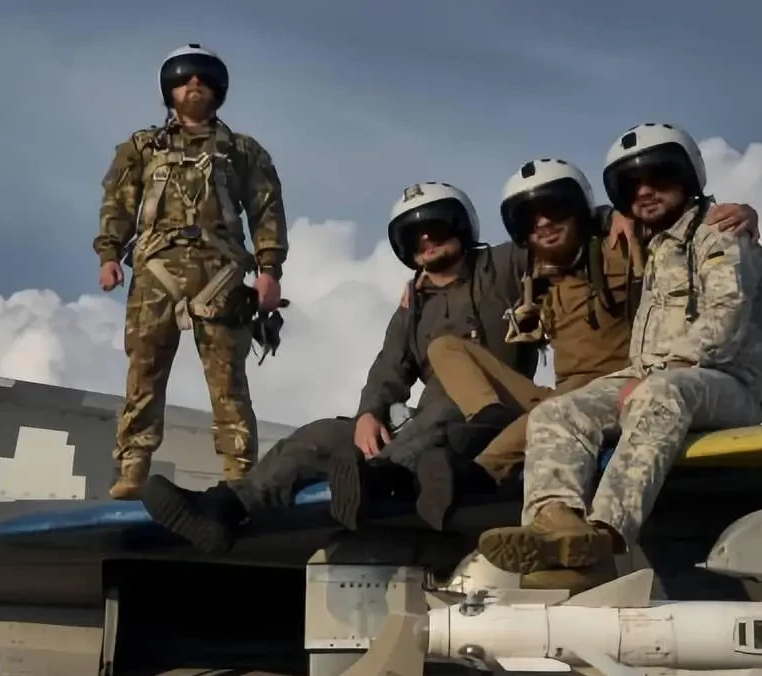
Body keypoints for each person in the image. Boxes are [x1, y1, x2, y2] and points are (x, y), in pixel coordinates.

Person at [140, 182, 539, 554]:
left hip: (489, 414)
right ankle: (227, 506)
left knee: (445, 408)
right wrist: (369, 414)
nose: (426, 240)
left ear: (460, 225)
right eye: (414, 236)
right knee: (321, 435)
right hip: (426, 425)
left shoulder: (503, 267)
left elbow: (553, 243)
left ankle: (377, 480)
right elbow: (388, 369)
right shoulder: (414, 308)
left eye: (436, 227)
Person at [477, 122, 762, 592]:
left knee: (659, 393)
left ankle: (605, 536)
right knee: (557, 412)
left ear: (688, 176)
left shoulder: (719, 233)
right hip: (652, 379)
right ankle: (557, 527)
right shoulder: (651, 245)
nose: (645, 191)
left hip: (727, 383)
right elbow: (574, 220)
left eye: (660, 178)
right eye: (632, 186)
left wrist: (665, 372)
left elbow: (726, 319)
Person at [412, 158, 759, 533]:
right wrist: (426, 279)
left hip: (622, 382)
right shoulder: (532, 271)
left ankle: (480, 475)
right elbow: (471, 270)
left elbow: (673, 224)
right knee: (446, 348)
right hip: (564, 395)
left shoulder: (622, 245)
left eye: (556, 209)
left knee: (549, 416)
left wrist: (744, 214)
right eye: (530, 219)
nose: (543, 224)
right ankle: (491, 424)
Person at [93, 44, 289, 499]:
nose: (194, 83)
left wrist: (269, 269)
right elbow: (117, 204)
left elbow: (266, 209)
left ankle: (239, 476)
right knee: (143, 372)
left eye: (204, 76)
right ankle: (132, 469)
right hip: (155, 271)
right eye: (184, 76)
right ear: (169, 89)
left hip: (220, 273)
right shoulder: (141, 147)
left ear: (219, 88)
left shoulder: (242, 150)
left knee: (228, 379)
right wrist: (108, 254)